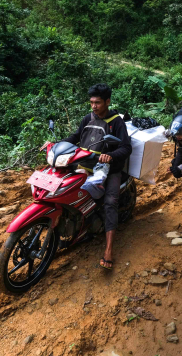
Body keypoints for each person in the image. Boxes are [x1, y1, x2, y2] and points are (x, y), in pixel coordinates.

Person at [62, 83, 132, 270]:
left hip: (109, 169)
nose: (94, 106)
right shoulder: (88, 118)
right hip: (85, 164)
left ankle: (108, 249)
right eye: (91, 102)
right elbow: (76, 136)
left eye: (98, 103)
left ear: (107, 101)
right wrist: (56, 144)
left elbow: (126, 147)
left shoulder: (116, 122)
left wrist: (111, 155)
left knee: (110, 202)